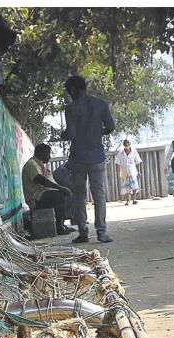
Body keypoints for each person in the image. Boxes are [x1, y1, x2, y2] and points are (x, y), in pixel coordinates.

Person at [60, 74, 116, 243]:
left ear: (73, 89)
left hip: (78, 157)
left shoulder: (71, 109)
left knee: (79, 195)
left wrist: (63, 135)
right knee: (99, 194)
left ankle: (83, 232)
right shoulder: (100, 104)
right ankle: (101, 232)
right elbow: (110, 127)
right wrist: (97, 133)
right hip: (97, 156)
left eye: (69, 92)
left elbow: (71, 133)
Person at [20, 143, 74, 236]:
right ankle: (58, 227)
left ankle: (61, 224)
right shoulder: (32, 164)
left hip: (41, 196)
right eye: (48, 154)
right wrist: (61, 188)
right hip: (35, 199)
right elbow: (41, 180)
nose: (49, 157)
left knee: (65, 195)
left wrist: (62, 189)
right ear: (40, 153)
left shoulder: (40, 165)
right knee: (60, 195)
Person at [114, 138, 142, 205]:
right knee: (126, 186)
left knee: (134, 186)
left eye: (128, 144)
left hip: (132, 171)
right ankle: (128, 200)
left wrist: (138, 171)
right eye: (125, 144)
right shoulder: (120, 153)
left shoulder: (134, 151)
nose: (127, 146)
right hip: (124, 171)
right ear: (123, 145)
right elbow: (117, 163)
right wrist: (118, 172)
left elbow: (137, 162)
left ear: (129, 144)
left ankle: (134, 199)